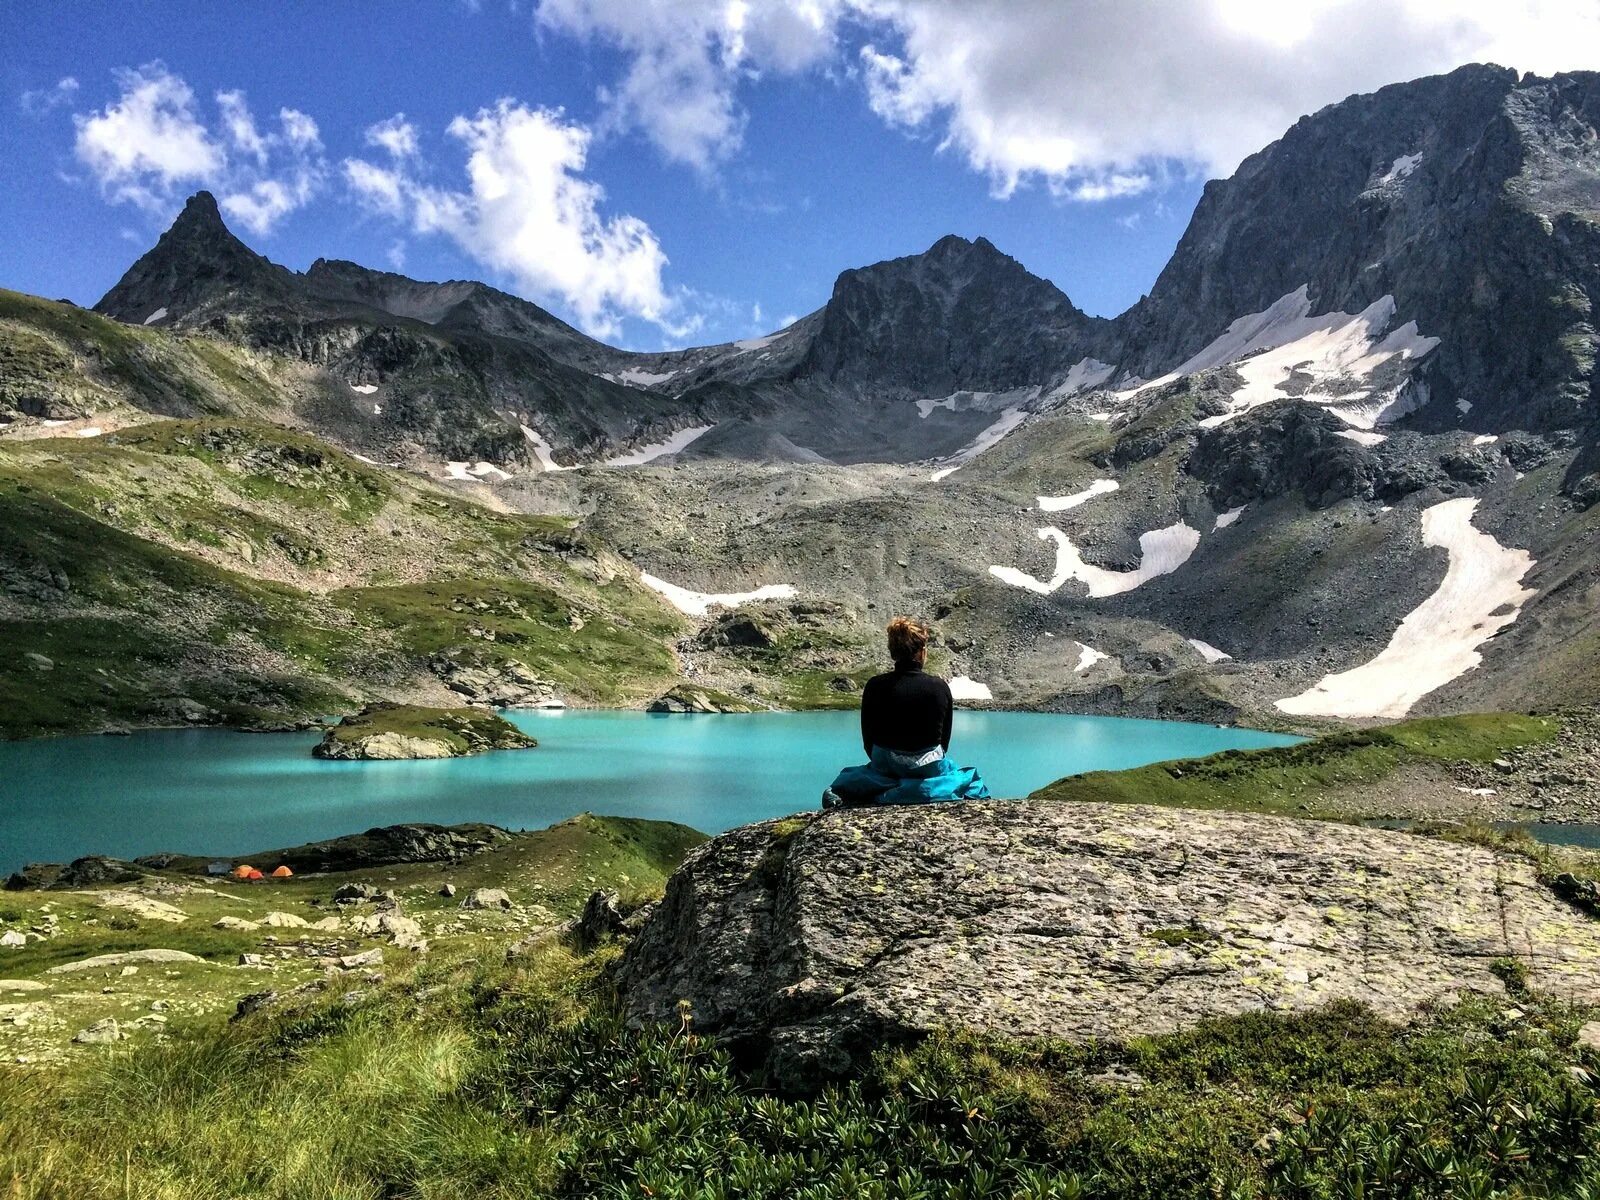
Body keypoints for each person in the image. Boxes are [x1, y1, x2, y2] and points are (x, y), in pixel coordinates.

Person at [822, 616, 991, 807]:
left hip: (884, 769)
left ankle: (888, 787)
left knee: (851, 778)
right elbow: (943, 743)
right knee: (963, 778)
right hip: (928, 770)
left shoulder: (875, 686)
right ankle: (920, 788)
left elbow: (869, 743)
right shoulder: (939, 687)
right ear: (921, 652)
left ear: (893, 652)